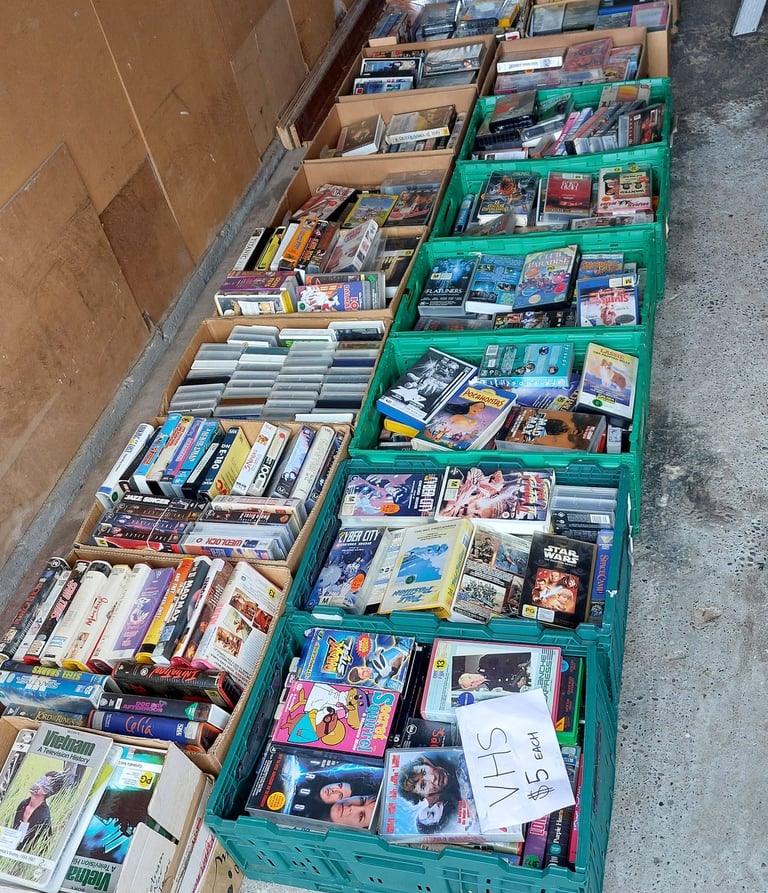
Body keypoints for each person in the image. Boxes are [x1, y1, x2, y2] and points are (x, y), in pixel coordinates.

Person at [13, 776, 53, 852]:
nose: (35, 785)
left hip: (26, 850)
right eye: (36, 782)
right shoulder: (23, 804)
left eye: (40, 784)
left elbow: (45, 840)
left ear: (45, 792)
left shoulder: (44, 815)